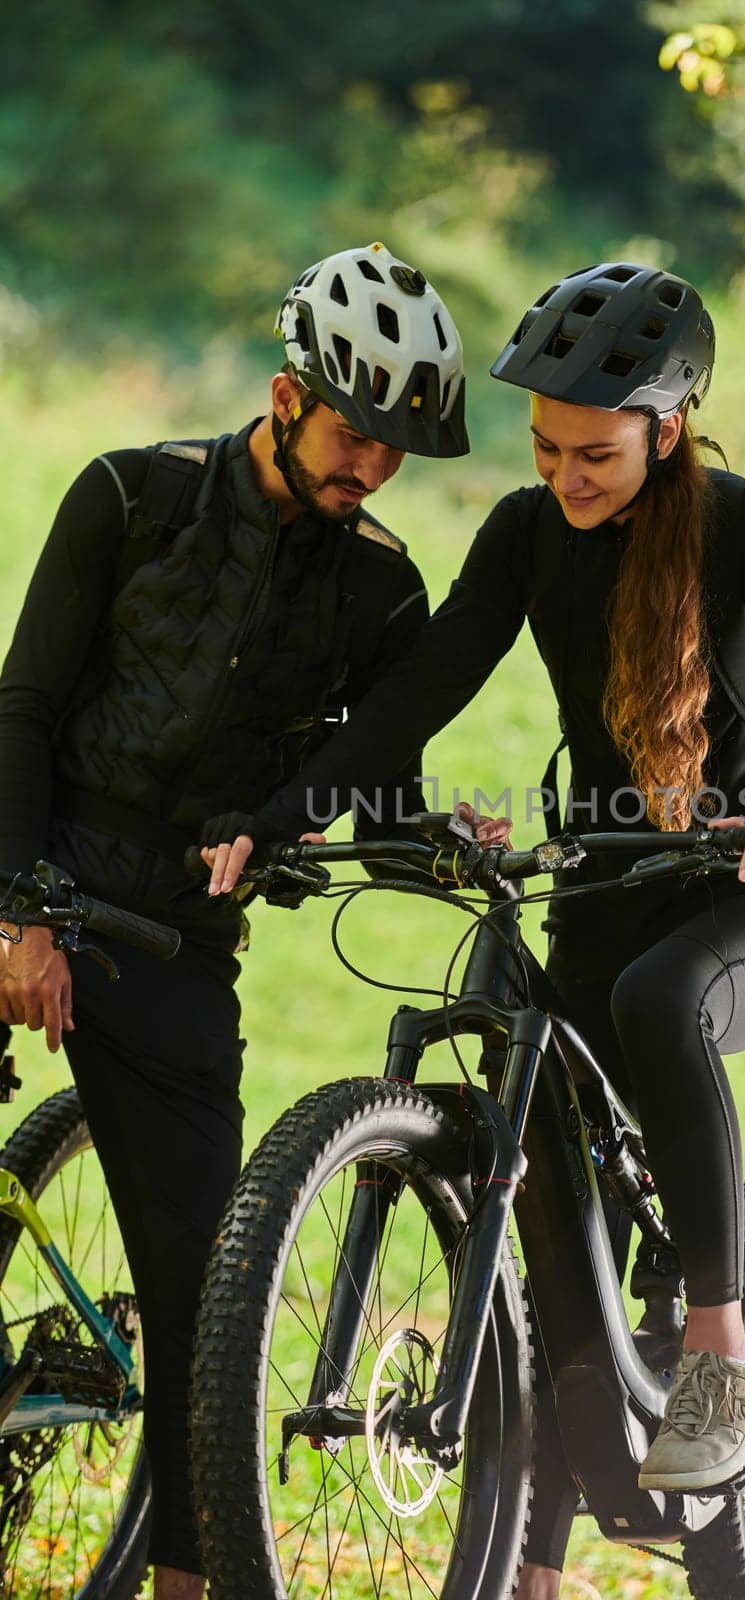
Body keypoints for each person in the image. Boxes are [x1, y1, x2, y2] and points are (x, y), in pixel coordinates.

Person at [206, 261, 745, 1600]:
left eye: (596, 454)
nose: (566, 477)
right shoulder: (523, 533)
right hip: (602, 888)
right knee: (545, 1182)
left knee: (655, 1003)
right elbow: (426, 687)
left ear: (666, 428)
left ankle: (720, 1358)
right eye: (547, 450)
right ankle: (535, 1562)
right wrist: (285, 814)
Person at [0, 242, 469, 1600]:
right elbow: (23, 708)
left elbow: (381, 777)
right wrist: (19, 911)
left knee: (212, 1299)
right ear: (283, 394)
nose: (371, 467)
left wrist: (435, 841)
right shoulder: (126, 499)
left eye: (398, 448)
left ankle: (194, 1586)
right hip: (39, 864)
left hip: (175, 940)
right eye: (354, 432)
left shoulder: (381, 585)